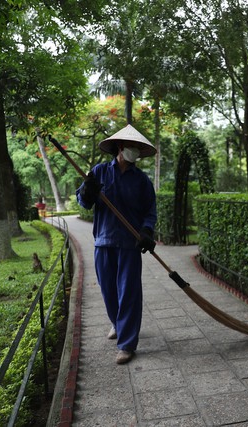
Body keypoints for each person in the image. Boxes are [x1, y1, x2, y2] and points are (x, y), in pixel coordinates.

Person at [76, 124, 157, 365]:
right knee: (108, 291)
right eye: (132, 147)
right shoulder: (99, 172)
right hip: (103, 240)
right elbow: (84, 202)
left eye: (138, 149)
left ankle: (127, 344)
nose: (135, 152)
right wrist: (88, 192)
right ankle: (117, 322)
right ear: (120, 148)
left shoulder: (142, 181)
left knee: (129, 293)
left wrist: (146, 231)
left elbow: (150, 212)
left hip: (130, 243)